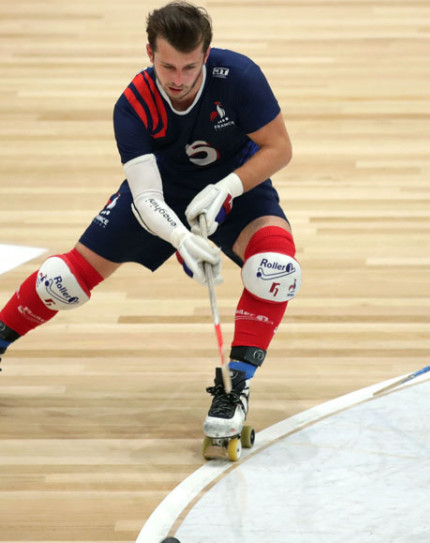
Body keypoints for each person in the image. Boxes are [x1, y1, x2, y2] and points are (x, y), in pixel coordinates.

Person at [0, 1, 299, 446]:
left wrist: (228, 188)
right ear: (149, 53)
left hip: (236, 187)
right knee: (61, 280)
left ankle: (235, 387)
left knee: (275, 269)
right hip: (161, 193)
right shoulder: (133, 106)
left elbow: (279, 149)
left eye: (190, 67)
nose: (178, 80)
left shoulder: (239, 77)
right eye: (167, 67)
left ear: (207, 54)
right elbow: (146, 198)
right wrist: (180, 238)